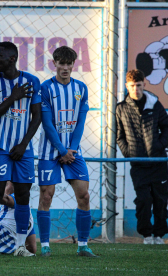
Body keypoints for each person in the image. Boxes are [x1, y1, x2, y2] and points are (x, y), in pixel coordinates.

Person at [37, 46, 97, 257]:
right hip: (49, 152)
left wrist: (71, 148)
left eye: (68, 63)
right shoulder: (46, 88)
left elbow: (81, 121)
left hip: (73, 151)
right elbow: (47, 123)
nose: (65, 67)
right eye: (61, 63)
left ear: (74, 64)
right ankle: (45, 245)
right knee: (46, 196)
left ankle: (82, 246)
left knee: (84, 195)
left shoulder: (81, 87)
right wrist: (62, 150)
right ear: (54, 64)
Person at [0, 41, 41, 257]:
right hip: (0, 147)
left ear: (12, 59)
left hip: (23, 150)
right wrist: (13, 97)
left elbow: (36, 117)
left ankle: (20, 246)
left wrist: (24, 144)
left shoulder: (32, 81)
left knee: (23, 194)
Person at [116, 69, 168, 245]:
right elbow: (120, 137)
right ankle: (147, 235)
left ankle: (159, 235)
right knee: (143, 200)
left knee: (160, 200)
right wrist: (130, 153)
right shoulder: (121, 108)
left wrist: (158, 147)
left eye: (139, 85)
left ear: (144, 84)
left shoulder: (154, 104)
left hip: (158, 162)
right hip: (138, 164)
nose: (136, 89)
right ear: (127, 86)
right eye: (132, 86)